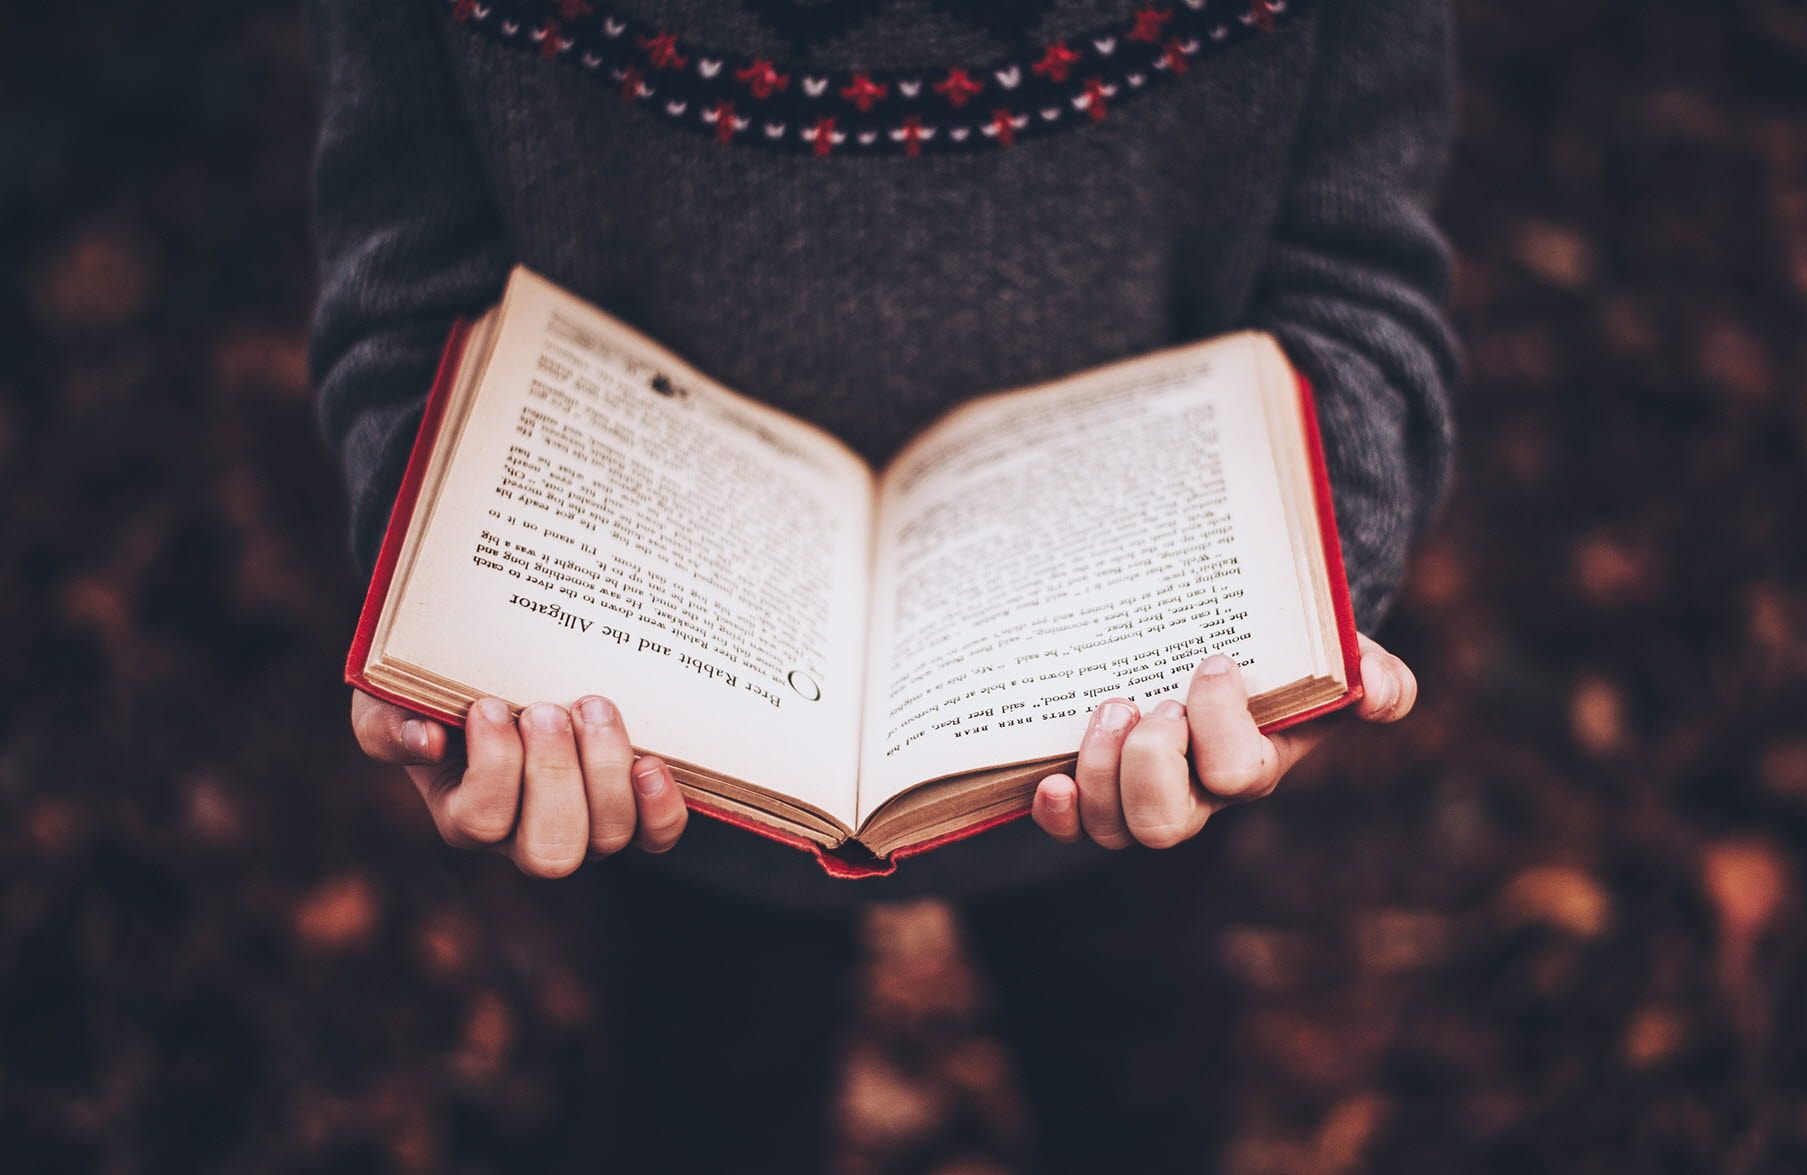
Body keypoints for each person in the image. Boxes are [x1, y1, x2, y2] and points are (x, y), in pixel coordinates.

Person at [310, 0, 1455, 1168]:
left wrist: (1296, 613)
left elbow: (1350, 274)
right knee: (702, 1090)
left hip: (1131, 722)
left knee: (1133, 1056)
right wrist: (454, 645)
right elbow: (412, 289)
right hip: (658, 748)